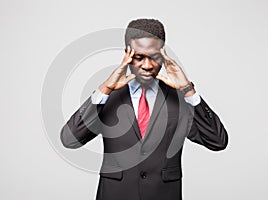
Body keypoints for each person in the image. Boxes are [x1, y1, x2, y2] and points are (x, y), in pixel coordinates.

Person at [60, 18, 228, 200]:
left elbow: (217, 141)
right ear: (127, 54)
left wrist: (187, 89)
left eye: (154, 57)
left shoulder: (179, 99)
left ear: (163, 55)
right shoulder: (107, 97)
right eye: (139, 57)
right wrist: (105, 88)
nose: (147, 66)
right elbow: (70, 139)